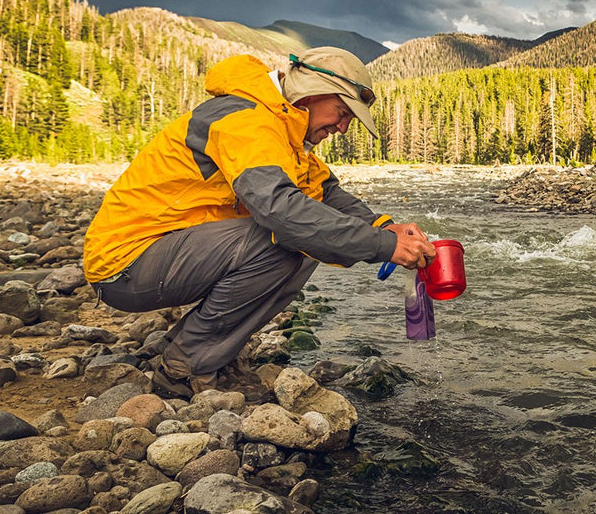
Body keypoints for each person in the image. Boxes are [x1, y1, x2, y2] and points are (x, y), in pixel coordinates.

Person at [83, 46, 435, 397]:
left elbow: (323, 193)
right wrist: (385, 247)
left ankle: (210, 351)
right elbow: (281, 211)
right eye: (342, 113)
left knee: (306, 235)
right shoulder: (247, 119)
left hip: (162, 255)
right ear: (313, 92)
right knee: (287, 237)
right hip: (124, 264)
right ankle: (184, 368)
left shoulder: (282, 128)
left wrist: (384, 227)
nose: (342, 128)